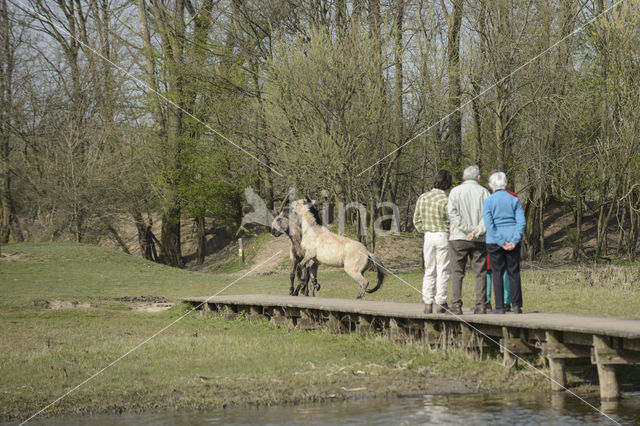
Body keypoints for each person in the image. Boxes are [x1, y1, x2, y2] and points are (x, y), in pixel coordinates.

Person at [447, 165, 491, 314]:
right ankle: (481, 305)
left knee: (457, 272)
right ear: (478, 178)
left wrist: (466, 229)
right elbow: (488, 217)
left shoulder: (455, 192)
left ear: (464, 178)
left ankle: (456, 304)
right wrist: (476, 231)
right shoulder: (485, 193)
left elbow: (452, 213)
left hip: (458, 237)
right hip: (479, 239)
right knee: (480, 272)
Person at [483, 172, 526, 314]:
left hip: (494, 241)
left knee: (497, 272)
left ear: (491, 185)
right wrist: (514, 240)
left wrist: (500, 241)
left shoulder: (488, 201)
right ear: (505, 183)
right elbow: (521, 221)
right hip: (512, 238)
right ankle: (516, 305)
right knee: (514, 272)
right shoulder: (514, 200)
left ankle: (500, 306)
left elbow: (488, 224)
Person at [413, 169, 452, 314]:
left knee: (429, 269)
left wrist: (424, 229)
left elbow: (416, 219)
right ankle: (441, 302)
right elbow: (452, 219)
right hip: (443, 235)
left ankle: (427, 303)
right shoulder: (446, 200)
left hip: (428, 236)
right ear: (447, 183)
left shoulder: (423, 197)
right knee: (443, 270)